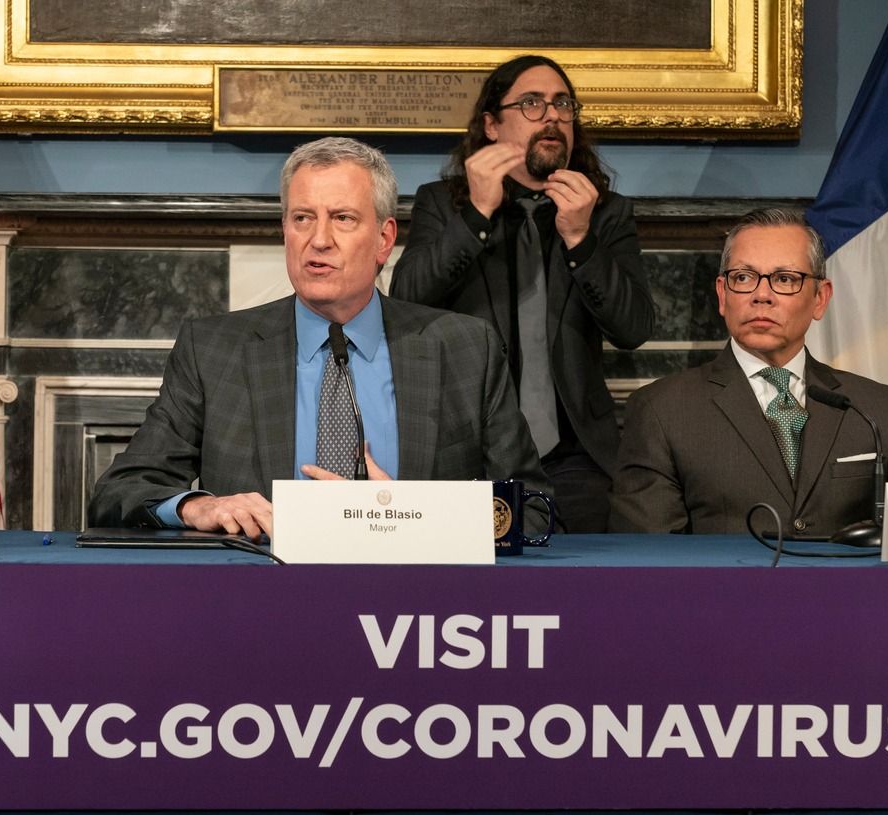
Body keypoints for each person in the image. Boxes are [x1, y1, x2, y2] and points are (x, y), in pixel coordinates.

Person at [88, 137, 549, 538]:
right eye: (302, 218)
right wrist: (197, 506)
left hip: (415, 605)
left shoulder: (465, 348)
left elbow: (533, 510)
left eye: (343, 218)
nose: (319, 239)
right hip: (259, 599)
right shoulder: (213, 350)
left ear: (384, 239)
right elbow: (120, 492)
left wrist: (414, 517)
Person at [390, 55, 654, 533]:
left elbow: (634, 328)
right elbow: (406, 299)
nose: (552, 116)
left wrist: (580, 239)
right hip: (467, 453)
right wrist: (476, 216)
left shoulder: (606, 212)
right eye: (531, 103)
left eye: (562, 104)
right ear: (492, 125)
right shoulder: (442, 203)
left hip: (576, 457)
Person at [609, 208, 888, 537]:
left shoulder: (882, 410)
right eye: (744, 278)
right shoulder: (662, 411)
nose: (761, 296)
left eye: (784, 279)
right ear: (722, 294)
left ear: (820, 298)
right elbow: (650, 563)